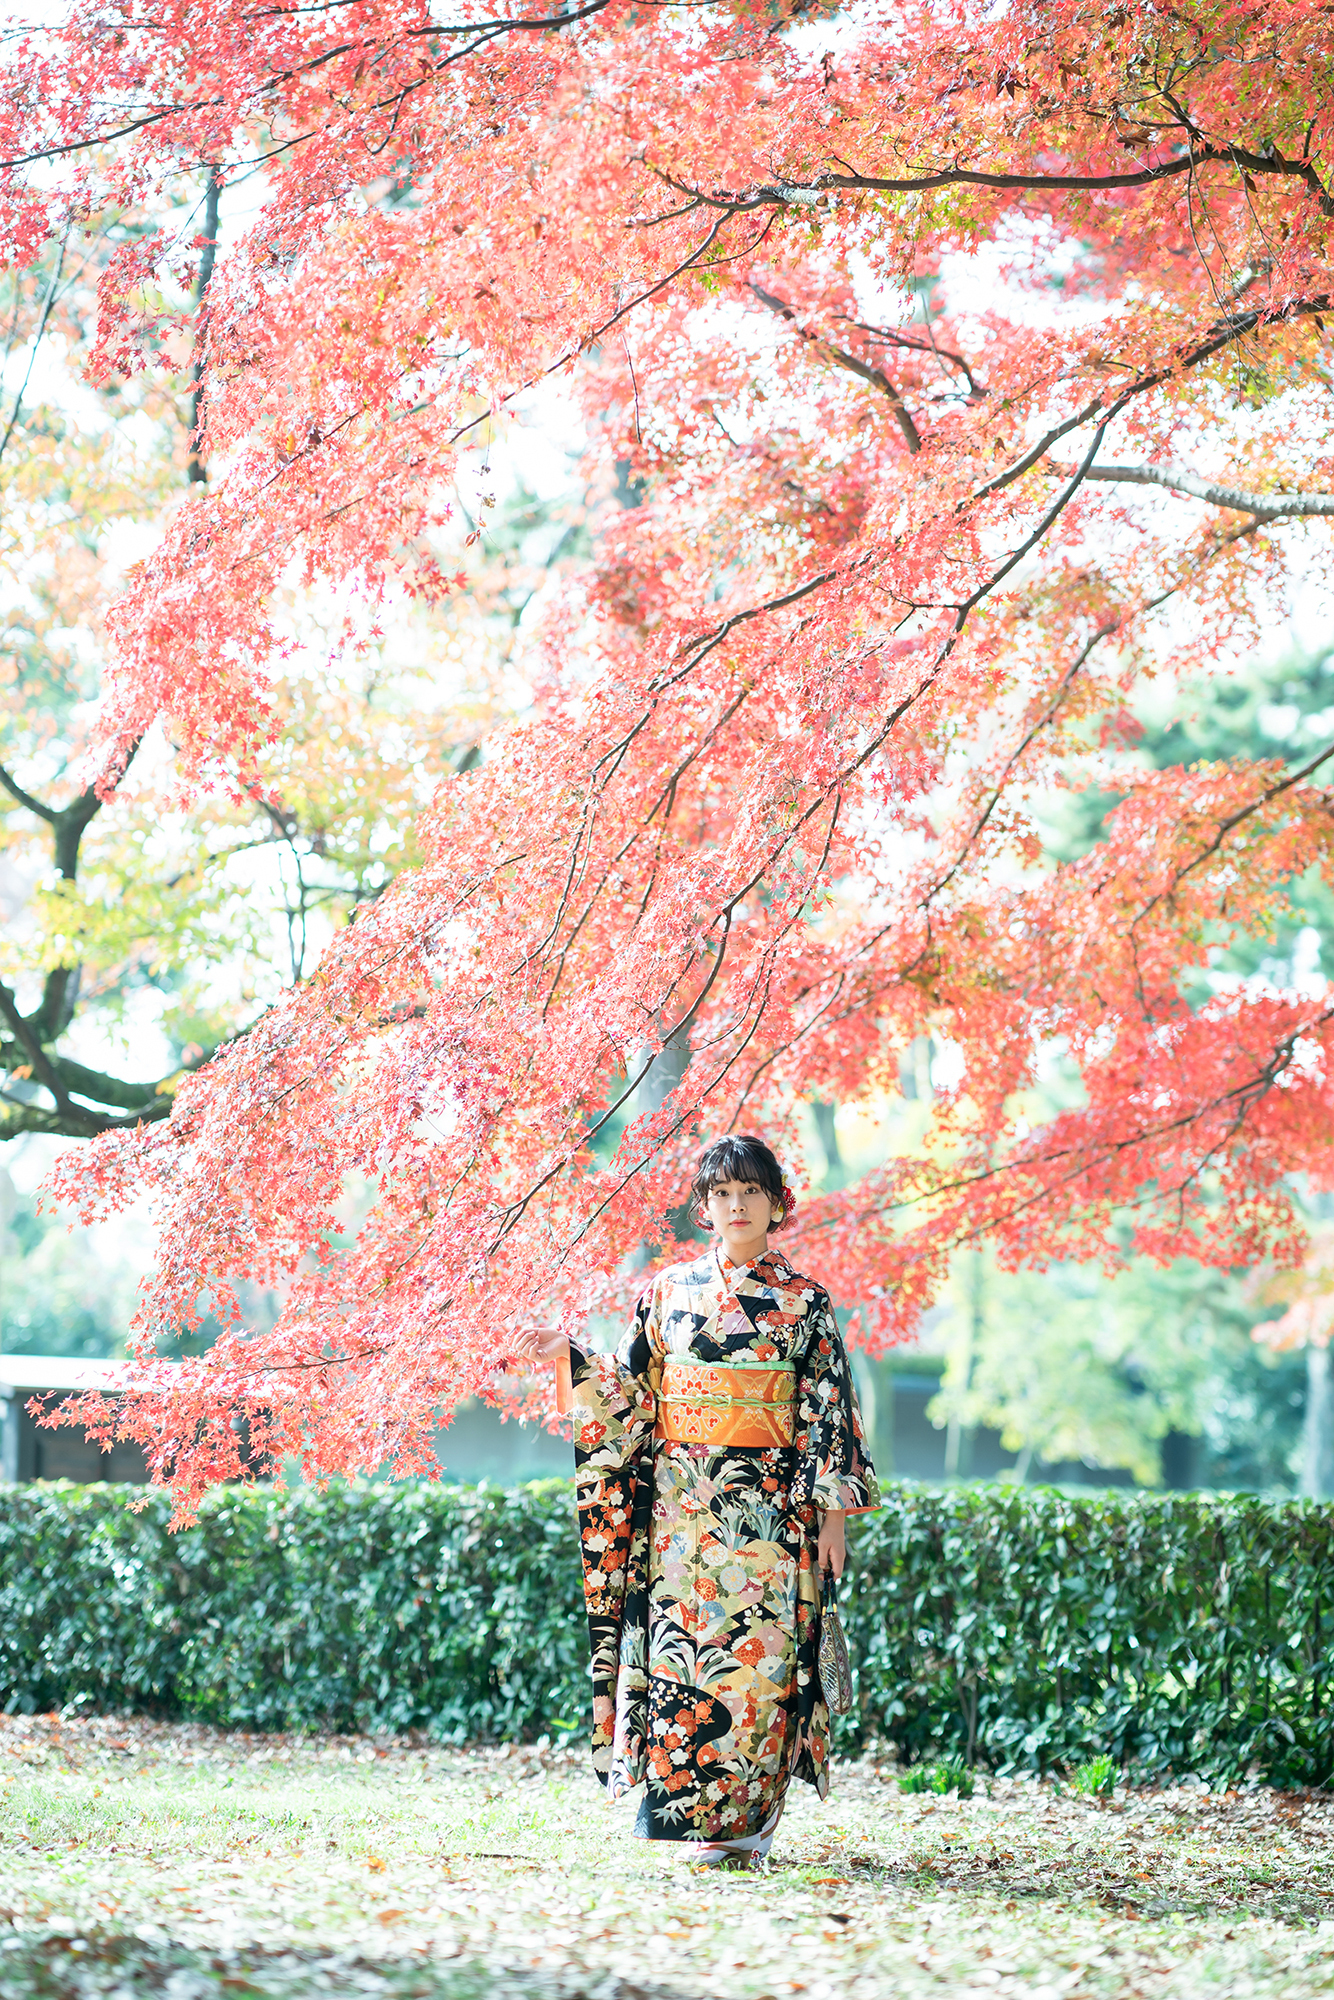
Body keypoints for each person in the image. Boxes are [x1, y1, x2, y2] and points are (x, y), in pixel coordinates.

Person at [513, 1134, 879, 1868]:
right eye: (720, 1194)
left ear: (777, 1204)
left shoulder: (804, 1302)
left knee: (762, 1665)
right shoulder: (667, 1293)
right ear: (705, 1207)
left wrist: (833, 1515)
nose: (735, 1205)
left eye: (749, 1192)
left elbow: (830, 1412)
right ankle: (687, 1816)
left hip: (769, 1514)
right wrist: (571, 1357)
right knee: (684, 1663)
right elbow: (632, 1393)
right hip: (680, 1516)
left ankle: (749, 1819)